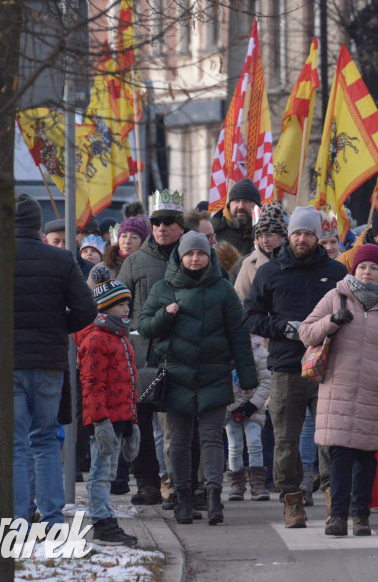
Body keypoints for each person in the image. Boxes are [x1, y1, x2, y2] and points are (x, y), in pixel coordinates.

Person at [0, 192, 96, 528]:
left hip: (5, 363)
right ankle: (52, 519)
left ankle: (19, 518)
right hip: (48, 361)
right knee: (47, 439)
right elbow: (87, 309)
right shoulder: (62, 259)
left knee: (15, 443)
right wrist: (56, 326)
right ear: (37, 225)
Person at [137, 231, 259, 526]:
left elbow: (238, 336)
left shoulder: (223, 289)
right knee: (178, 441)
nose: (194, 259)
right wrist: (166, 315)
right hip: (176, 376)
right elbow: (145, 328)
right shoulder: (163, 288)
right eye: (189, 253)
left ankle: (215, 499)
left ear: (209, 256)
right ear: (180, 256)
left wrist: (247, 375)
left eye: (200, 253)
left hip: (213, 374)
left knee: (211, 439)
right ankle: (184, 500)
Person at [299, 243, 378, 536]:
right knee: (339, 456)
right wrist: (331, 322)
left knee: (366, 458)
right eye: (362, 266)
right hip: (339, 389)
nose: (367, 272)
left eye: (373, 268)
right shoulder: (336, 296)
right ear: (354, 269)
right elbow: (306, 332)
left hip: (375, 392)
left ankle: (361, 516)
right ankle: (337, 516)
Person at [244, 206, 348, 527]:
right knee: (286, 439)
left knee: (331, 437)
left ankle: (335, 500)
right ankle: (292, 502)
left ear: (318, 236)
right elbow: (250, 316)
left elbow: (352, 312)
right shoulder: (269, 272)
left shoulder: (336, 272)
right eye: (297, 233)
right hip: (287, 367)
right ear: (289, 236)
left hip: (330, 366)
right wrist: (285, 328)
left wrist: (333, 326)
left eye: (308, 233)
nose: (302, 238)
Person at [118, 189, 187, 506]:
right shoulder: (133, 264)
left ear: (181, 225)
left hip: (183, 354)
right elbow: (118, 310)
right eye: (157, 222)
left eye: (169, 222)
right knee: (140, 422)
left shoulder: (195, 257)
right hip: (141, 356)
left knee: (183, 423)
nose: (162, 228)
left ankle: (183, 484)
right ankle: (146, 482)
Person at [74, 279, 141, 546]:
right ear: (105, 307)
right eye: (121, 304)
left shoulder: (119, 336)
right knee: (100, 474)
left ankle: (106, 517)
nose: (127, 309)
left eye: (127, 303)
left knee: (109, 474)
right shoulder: (96, 339)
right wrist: (100, 421)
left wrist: (132, 421)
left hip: (120, 418)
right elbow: (92, 384)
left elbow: (129, 382)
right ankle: (101, 522)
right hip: (105, 420)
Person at [223, 333, 273, 502]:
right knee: (234, 447)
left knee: (254, 444)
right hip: (231, 408)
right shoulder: (225, 349)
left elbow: (266, 382)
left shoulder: (260, 353)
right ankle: (237, 484)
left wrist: (252, 405)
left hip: (253, 408)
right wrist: (229, 406)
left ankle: (258, 484)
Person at [212, 178, 262, 256]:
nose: (240, 206)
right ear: (229, 205)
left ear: (257, 206)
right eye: (236, 201)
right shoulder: (214, 231)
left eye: (246, 201)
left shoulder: (264, 232)